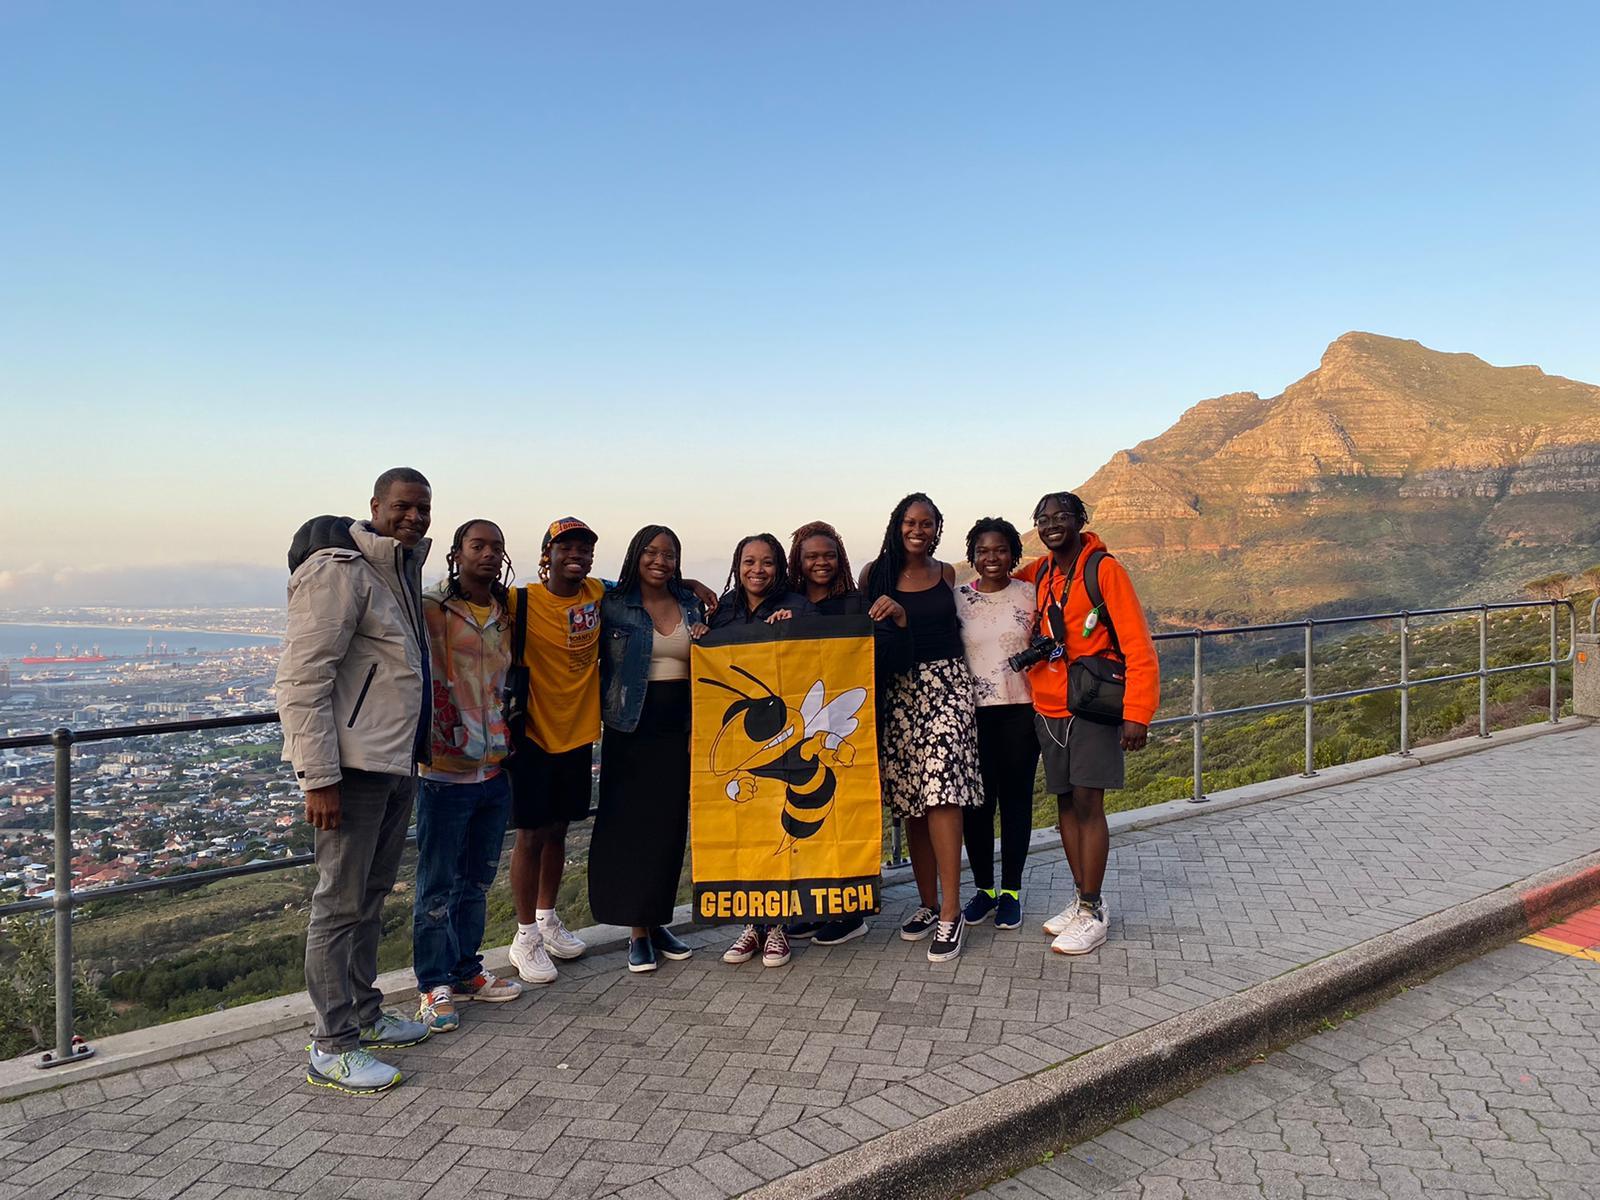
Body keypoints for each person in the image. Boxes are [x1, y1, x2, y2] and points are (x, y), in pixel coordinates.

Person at [276, 467, 437, 1095]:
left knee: (369, 900)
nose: (415, 516)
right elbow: (302, 679)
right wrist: (317, 776)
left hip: (394, 762)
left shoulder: (401, 566)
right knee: (338, 906)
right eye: (403, 506)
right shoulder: (340, 569)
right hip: (349, 768)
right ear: (375, 506)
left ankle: (365, 1015)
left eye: (423, 507)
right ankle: (331, 1043)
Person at [1015, 491, 1159, 956]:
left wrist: (1137, 714)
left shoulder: (1103, 571)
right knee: (1064, 804)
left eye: (1062, 516)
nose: (1052, 524)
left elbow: (1138, 645)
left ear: (1081, 520)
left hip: (1093, 707)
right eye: (1043, 518)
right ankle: (1081, 902)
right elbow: (993, 585)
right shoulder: (1039, 573)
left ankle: (1094, 909)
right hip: (1048, 707)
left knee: (1088, 803)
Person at [413, 520, 524, 1034]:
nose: (487, 553)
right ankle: (432, 984)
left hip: (494, 763)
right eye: (477, 545)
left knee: (476, 881)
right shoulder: (431, 606)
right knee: (436, 884)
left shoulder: (506, 610)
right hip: (443, 766)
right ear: (456, 552)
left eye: (495, 547)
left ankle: (466, 971)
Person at [861, 493, 982, 963]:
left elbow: (951, 631)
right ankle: (928, 903)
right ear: (898, 524)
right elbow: (865, 634)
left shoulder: (945, 573)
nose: (919, 529)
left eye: (928, 523)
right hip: (900, 691)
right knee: (914, 799)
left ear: (937, 528)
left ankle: (952, 912)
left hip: (947, 685)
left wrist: (908, 618)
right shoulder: (875, 575)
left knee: (942, 791)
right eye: (911, 521)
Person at [587, 526, 708, 973]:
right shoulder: (613, 603)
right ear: (636, 555)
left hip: (681, 727)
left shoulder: (691, 604)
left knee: (669, 827)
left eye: (670, 554)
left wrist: (694, 587)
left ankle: (658, 921)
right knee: (630, 827)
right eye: (652, 552)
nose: (660, 561)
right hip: (631, 725)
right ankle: (637, 931)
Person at [786, 521, 909, 947]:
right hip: (802, 735)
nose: (821, 563)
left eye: (829, 555)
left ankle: (851, 911)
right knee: (814, 820)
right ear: (798, 563)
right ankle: (814, 906)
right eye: (811, 556)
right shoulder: (789, 604)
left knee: (850, 814)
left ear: (839, 558)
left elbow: (888, 656)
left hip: (850, 731)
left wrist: (896, 616)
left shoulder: (858, 604)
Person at [504, 519, 606, 986]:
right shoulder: (520, 600)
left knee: (559, 830)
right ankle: (524, 935)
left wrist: (691, 581)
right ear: (546, 553)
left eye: (584, 547)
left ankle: (547, 918)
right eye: (566, 546)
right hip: (531, 734)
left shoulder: (598, 593)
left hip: (578, 732)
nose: (577, 553)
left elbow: (648, 582)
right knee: (529, 834)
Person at [710, 534, 816, 969]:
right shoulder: (725, 610)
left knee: (779, 833)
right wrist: (702, 632)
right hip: (742, 749)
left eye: (767, 562)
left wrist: (798, 629)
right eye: (749, 561)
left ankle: (780, 927)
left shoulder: (798, 605)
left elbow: (820, 658)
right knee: (748, 827)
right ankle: (754, 923)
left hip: (786, 744)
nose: (758, 570)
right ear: (737, 565)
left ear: (779, 567)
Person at [954, 517, 1039, 933]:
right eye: (983, 551)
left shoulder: (1030, 595)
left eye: (1000, 550)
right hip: (972, 714)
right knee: (977, 807)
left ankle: (1011, 893)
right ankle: (984, 890)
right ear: (972, 554)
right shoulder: (957, 599)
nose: (992, 558)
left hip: (1021, 710)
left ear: (1013, 554)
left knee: (1016, 802)